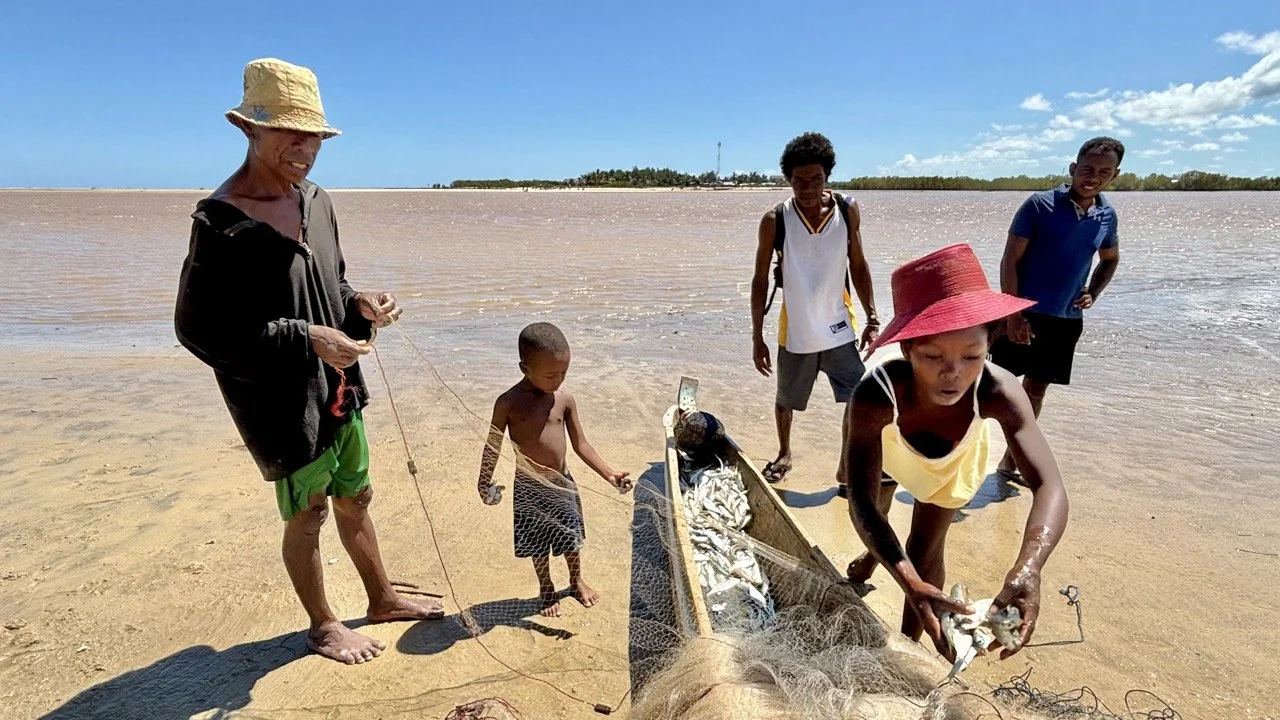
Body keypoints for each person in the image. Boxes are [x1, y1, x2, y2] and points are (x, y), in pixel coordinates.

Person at [174, 58, 443, 666]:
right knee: (309, 511)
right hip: (278, 404)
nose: (305, 148)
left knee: (359, 495)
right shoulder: (220, 223)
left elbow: (334, 283)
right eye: (289, 133)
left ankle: (381, 598)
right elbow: (199, 330)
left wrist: (361, 306)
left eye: (314, 136)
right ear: (250, 130)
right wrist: (306, 338)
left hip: (339, 386)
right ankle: (323, 626)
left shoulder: (317, 201)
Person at [842, 243, 1069, 660]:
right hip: (889, 444)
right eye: (932, 356)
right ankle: (878, 557)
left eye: (972, 356)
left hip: (952, 464)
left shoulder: (999, 391)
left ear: (990, 346)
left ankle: (907, 650)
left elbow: (1050, 486)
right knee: (877, 502)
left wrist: (1029, 567)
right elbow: (859, 499)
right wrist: (903, 578)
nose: (953, 373)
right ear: (907, 350)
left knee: (925, 551)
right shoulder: (875, 396)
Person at [750, 132, 880, 495]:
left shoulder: (846, 209)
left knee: (858, 399)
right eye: (798, 181)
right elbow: (760, 280)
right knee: (784, 399)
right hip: (796, 330)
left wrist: (873, 317)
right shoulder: (775, 220)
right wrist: (756, 335)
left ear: (828, 176)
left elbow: (858, 263)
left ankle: (846, 466)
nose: (807, 188)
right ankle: (784, 453)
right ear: (787, 179)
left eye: (815, 179)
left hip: (840, 326)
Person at [989, 137, 1124, 484]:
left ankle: (1010, 463)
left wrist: (1093, 293)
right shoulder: (1038, 205)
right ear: (1073, 168)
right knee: (988, 389)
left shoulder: (1107, 215)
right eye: (1087, 169)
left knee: (1035, 391)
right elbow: (1010, 260)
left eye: (1104, 172)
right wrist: (1013, 315)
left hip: (1065, 321)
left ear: (1115, 175)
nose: (1093, 177)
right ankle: (951, 458)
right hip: (1022, 315)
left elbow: (1110, 260)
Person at [477, 322, 633, 617]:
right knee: (537, 542)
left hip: (562, 484)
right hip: (528, 486)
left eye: (564, 372)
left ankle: (575, 580)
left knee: (571, 537)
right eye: (550, 375)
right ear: (524, 368)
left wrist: (609, 474)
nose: (558, 380)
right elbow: (492, 445)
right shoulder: (508, 403)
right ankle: (546, 586)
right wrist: (483, 482)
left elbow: (582, 445)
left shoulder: (564, 400)